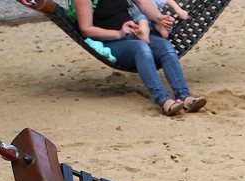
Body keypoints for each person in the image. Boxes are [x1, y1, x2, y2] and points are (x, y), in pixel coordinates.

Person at [71, 0, 206, 116]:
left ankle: (184, 96)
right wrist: (119, 33)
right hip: (112, 42)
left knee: (164, 46)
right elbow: (86, 29)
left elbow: (143, 4)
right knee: (142, 49)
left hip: (134, 35)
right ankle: (164, 100)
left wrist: (159, 17)